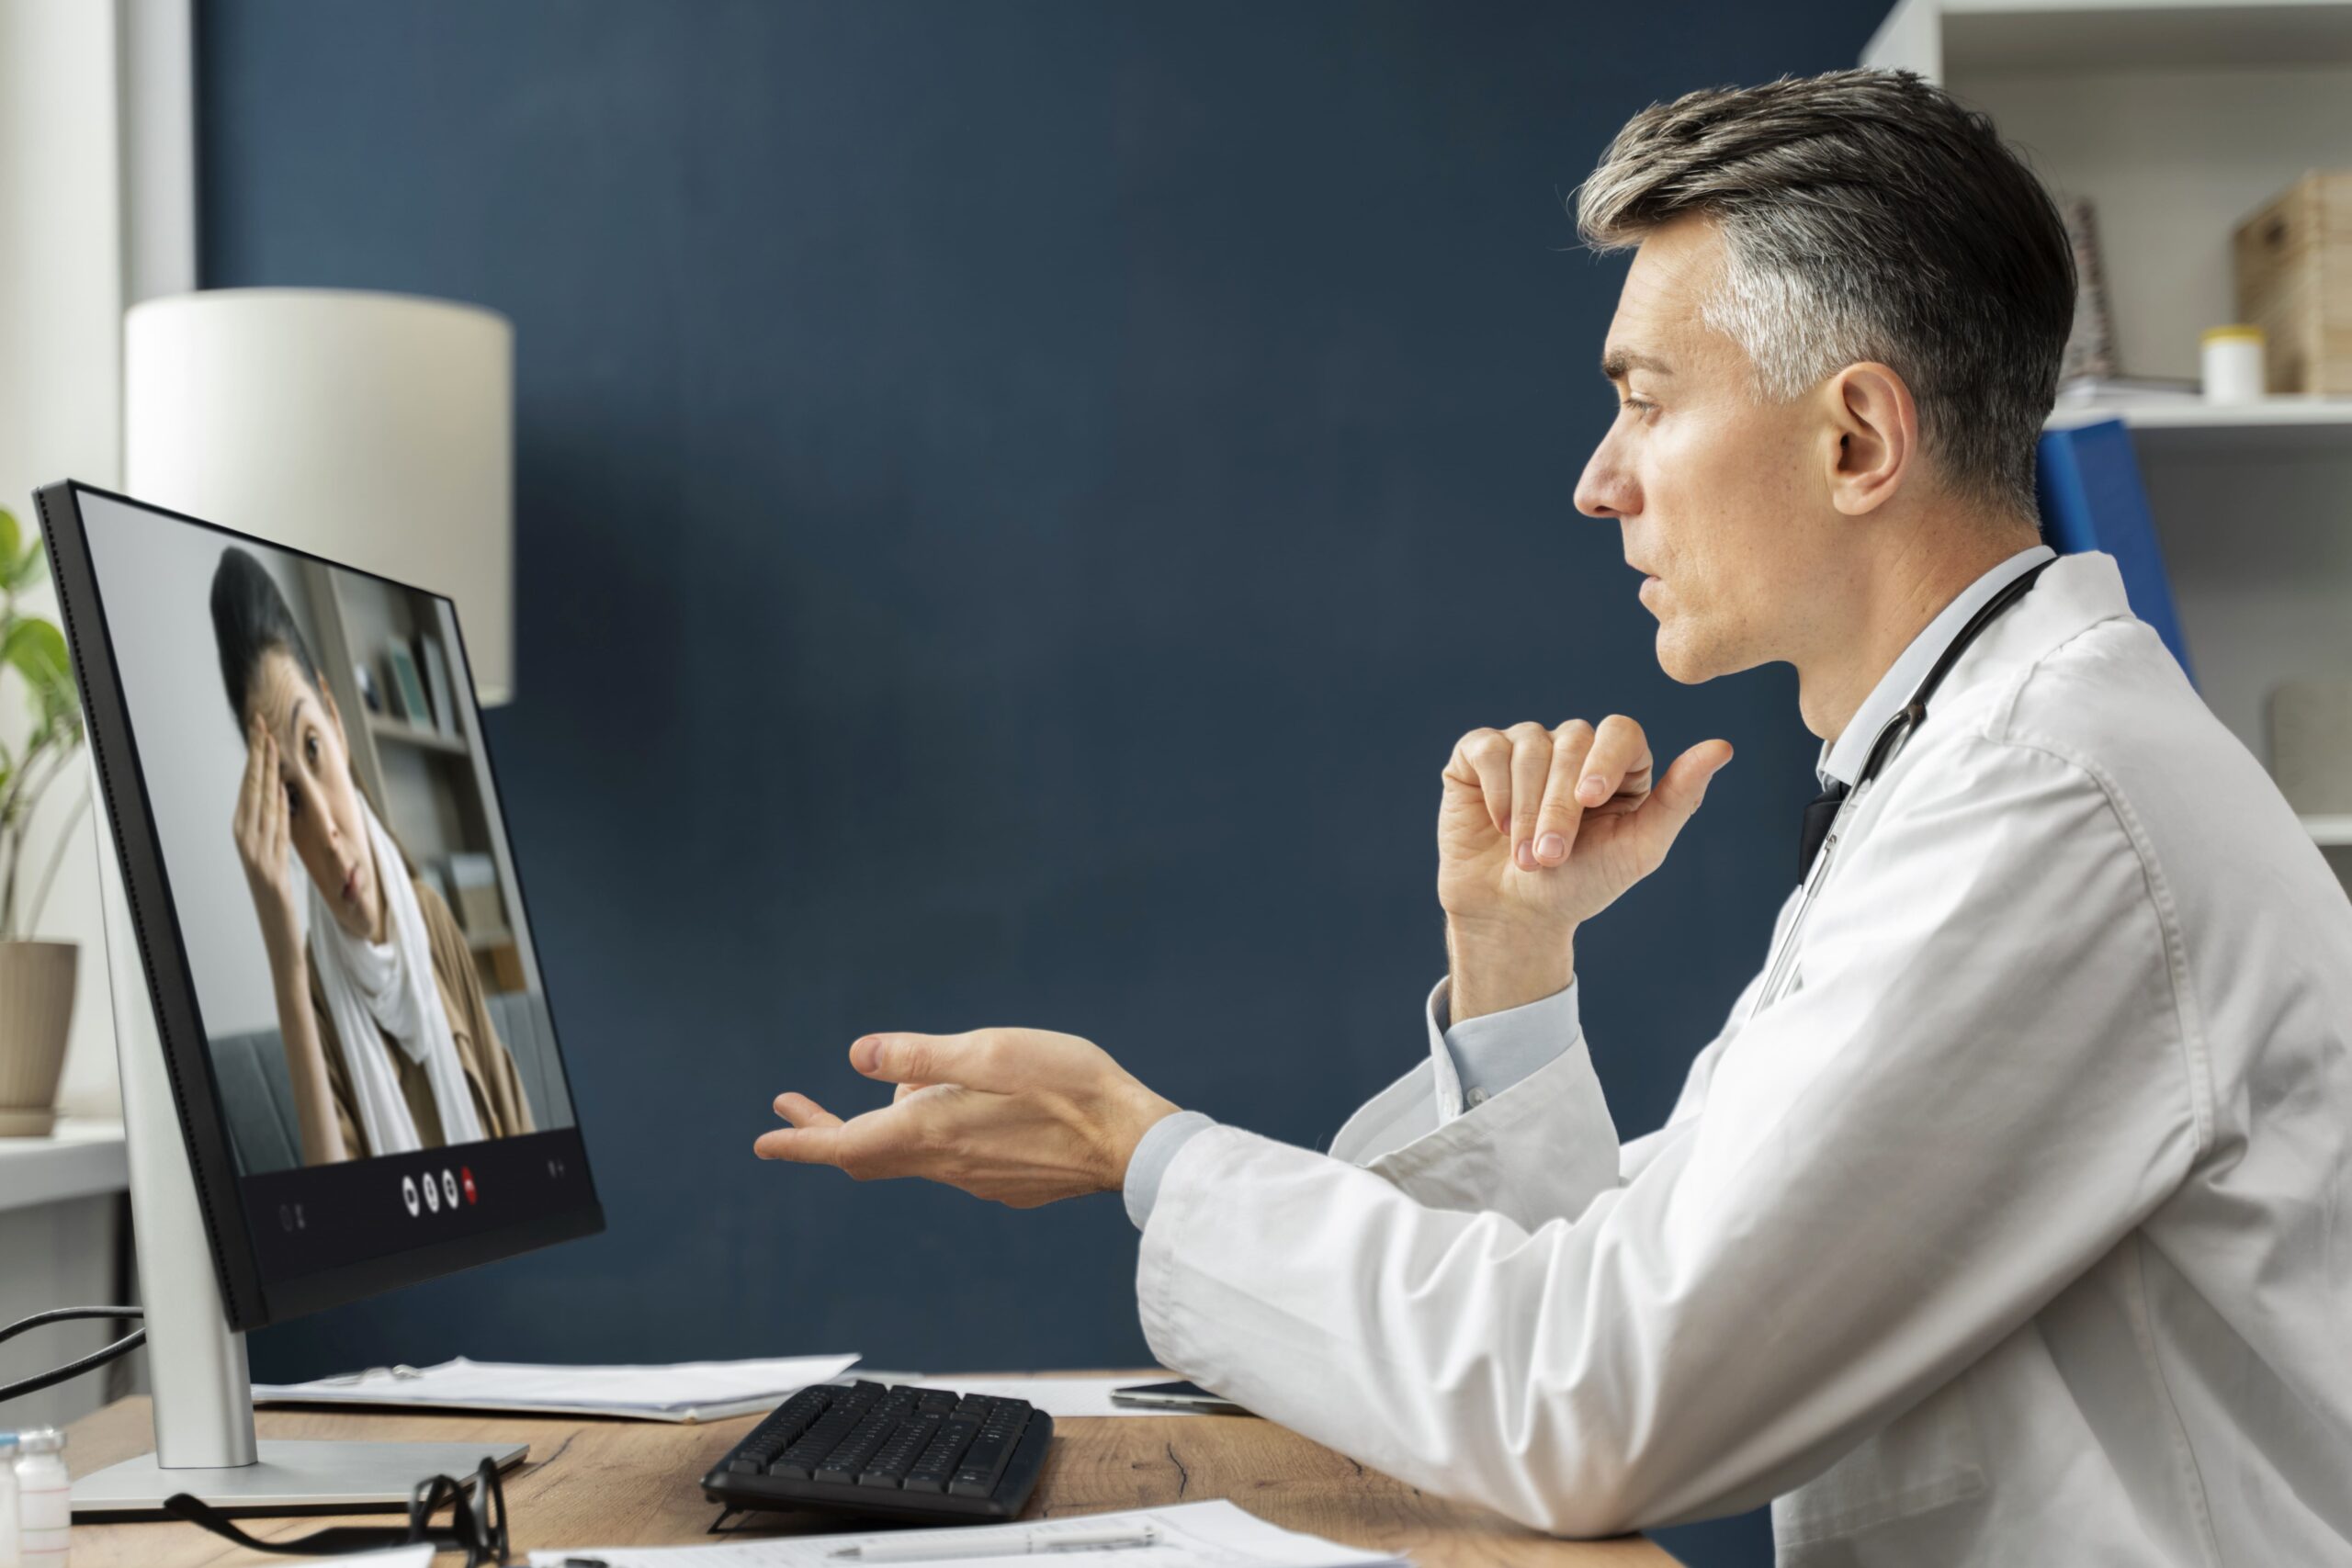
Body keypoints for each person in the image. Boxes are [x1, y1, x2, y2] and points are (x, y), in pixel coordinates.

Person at [753, 71, 2352, 1563]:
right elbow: (1634, 1283)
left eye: (1647, 400)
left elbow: (1594, 1401)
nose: (1599, 481)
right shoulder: (1969, 759)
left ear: (1857, 437)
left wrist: (1139, 1147)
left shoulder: (2048, 800)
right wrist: (1511, 956)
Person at [211, 547, 536, 1165]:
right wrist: (284, 960)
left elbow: (516, 1126)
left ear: (335, 717)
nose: (328, 830)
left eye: (313, 747)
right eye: (290, 800)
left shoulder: (430, 915)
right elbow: (338, 1227)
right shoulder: (312, 990)